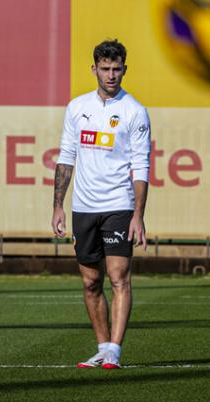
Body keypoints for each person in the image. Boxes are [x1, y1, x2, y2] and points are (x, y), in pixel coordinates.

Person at [51, 39, 151, 369]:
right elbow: (66, 158)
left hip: (119, 206)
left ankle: (115, 352)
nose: (111, 75)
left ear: (125, 69)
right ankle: (101, 346)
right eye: (105, 69)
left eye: (117, 69)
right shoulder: (76, 107)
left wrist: (138, 214)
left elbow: (141, 165)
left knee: (119, 276)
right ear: (94, 68)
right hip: (84, 207)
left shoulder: (134, 111)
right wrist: (58, 205)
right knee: (90, 282)